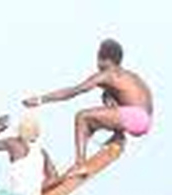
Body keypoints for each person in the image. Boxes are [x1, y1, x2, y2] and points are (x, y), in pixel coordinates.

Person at [23, 38, 153, 170]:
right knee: (106, 96)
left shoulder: (107, 75)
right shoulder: (130, 75)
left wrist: (40, 99)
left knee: (82, 117)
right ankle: (118, 137)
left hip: (133, 116)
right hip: (145, 120)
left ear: (103, 58)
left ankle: (80, 164)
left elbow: (73, 91)